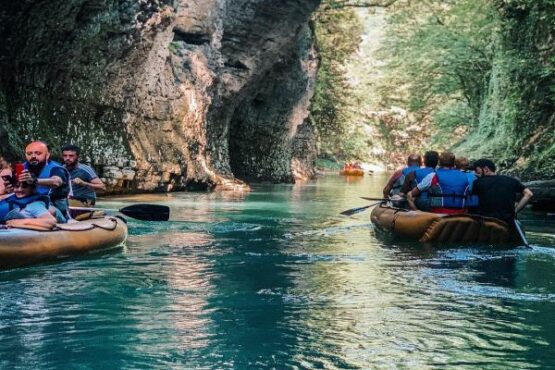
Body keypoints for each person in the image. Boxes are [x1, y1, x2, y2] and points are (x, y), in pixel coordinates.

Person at [5, 141, 71, 222]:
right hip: (29, 203)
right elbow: (18, 188)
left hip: (54, 203)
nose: (33, 156)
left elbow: (56, 181)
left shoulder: (57, 168)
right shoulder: (22, 167)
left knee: (52, 211)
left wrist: (34, 180)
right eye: (29, 154)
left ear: (47, 155)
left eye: (38, 153)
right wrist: (10, 188)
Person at [472, 158, 533, 223]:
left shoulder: (477, 182)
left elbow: (474, 202)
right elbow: (529, 194)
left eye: (477, 171)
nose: (476, 173)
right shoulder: (512, 180)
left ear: (486, 169)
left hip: (487, 221)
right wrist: (515, 211)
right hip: (507, 221)